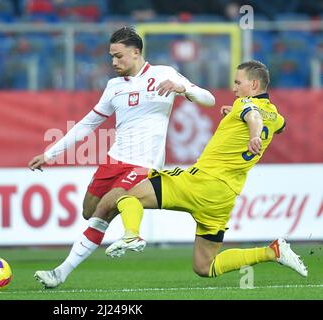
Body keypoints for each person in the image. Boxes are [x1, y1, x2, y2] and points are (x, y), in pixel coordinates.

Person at [29, 26, 215, 288]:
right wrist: (51, 154)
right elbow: (87, 124)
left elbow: (209, 99)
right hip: (115, 159)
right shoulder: (114, 86)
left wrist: (183, 88)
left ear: (136, 52)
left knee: (105, 207)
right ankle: (124, 232)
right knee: (89, 211)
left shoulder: (164, 74)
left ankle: (61, 272)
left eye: (119, 56)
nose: (114, 62)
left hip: (144, 163)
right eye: (111, 57)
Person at [105, 60, 308, 279]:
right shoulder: (274, 115)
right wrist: (236, 116)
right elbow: (280, 126)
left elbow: (254, 117)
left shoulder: (246, 105)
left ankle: (132, 235)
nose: (234, 88)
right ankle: (272, 252)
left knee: (127, 197)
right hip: (223, 198)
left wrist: (254, 134)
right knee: (205, 267)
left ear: (255, 85)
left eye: (238, 83)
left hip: (201, 183)